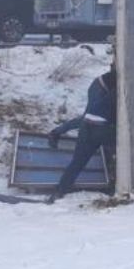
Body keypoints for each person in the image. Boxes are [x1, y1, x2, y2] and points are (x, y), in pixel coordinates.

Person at [47, 66, 118, 202]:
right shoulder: (121, 91)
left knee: (78, 162)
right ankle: (114, 185)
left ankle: (59, 191)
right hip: (101, 92)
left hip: (88, 124)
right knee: (119, 147)